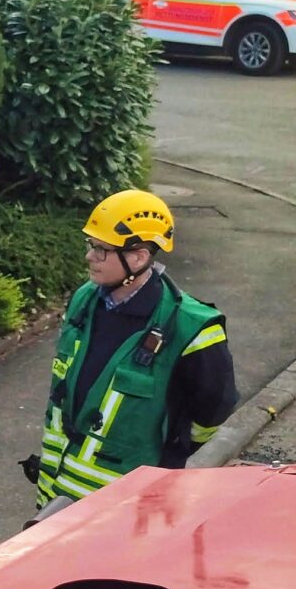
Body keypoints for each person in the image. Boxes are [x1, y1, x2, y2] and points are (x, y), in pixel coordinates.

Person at [30, 188, 236, 518]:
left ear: (138, 257)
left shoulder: (192, 329)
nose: (89, 257)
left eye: (101, 250)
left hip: (124, 514)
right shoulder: (85, 299)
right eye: (91, 246)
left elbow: (214, 409)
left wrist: (172, 450)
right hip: (53, 500)